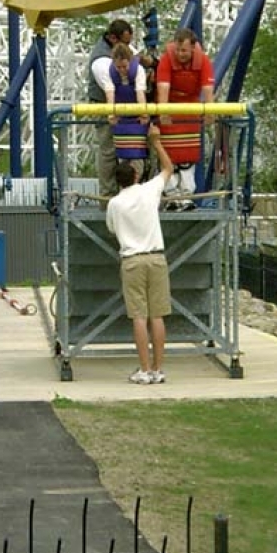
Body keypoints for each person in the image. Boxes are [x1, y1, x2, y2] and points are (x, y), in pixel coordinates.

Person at [106, 124, 174, 385]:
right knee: (158, 316)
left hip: (132, 260)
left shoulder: (115, 203)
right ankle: (158, 369)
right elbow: (168, 168)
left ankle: (144, 370)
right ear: (135, 175)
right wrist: (156, 143)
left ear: (117, 181)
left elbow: (112, 229)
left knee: (139, 317)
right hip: (156, 256)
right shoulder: (148, 190)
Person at [155, 28, 215, 207]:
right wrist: (163, 111)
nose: (181, 54)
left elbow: (207, 88)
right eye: (178, 50)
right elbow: (163, 86)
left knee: (189, 154)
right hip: (170, 107)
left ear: (193, 48)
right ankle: (171, 194)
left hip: (190, 109)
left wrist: (210, 111)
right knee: (168, 154)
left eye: (185, 51)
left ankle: (187, 194)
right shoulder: (166, 59)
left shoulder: (203, 60)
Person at [88, 19, 133, 197]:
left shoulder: (119, 51)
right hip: (104, 106)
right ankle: (107, 195)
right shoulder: (101, 61)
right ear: (113, 38)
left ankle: (125, 192)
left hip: (121, 108)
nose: (128, 47)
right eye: (126, 42)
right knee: (108, 151)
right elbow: (111, 89)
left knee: (126, 150)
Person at [100, 42, 150, 180]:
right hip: (121, 120)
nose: (122, 70)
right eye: (118, 67)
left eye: (125, 66)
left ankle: (138, 181)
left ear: (130, 61)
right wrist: (111, 114)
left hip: (136, 119)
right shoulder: (108, 72)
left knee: (138, 157)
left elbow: (140, 93)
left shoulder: (138, 70)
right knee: (122, 157)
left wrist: (144, 114)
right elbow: (110, 94)